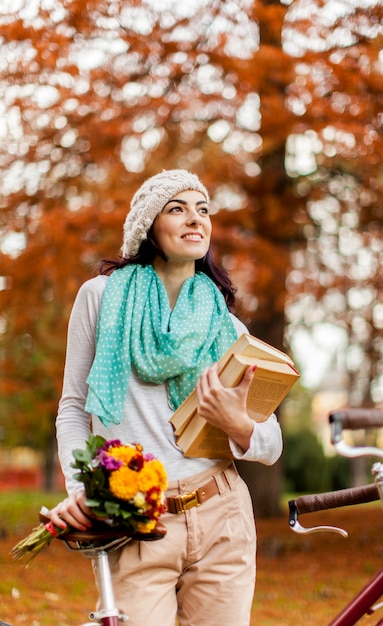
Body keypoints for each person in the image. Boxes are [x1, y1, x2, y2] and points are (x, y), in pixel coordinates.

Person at [49, 169, 283, 626]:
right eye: (177, 208)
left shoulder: (227, 328)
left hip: (223, 516)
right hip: (138, 518)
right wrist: (84, 490)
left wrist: (237, 422)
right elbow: (74, 408)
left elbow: (270, 444)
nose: (195, 219)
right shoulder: (100, 298)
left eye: (203, 209)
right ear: (148, 227)